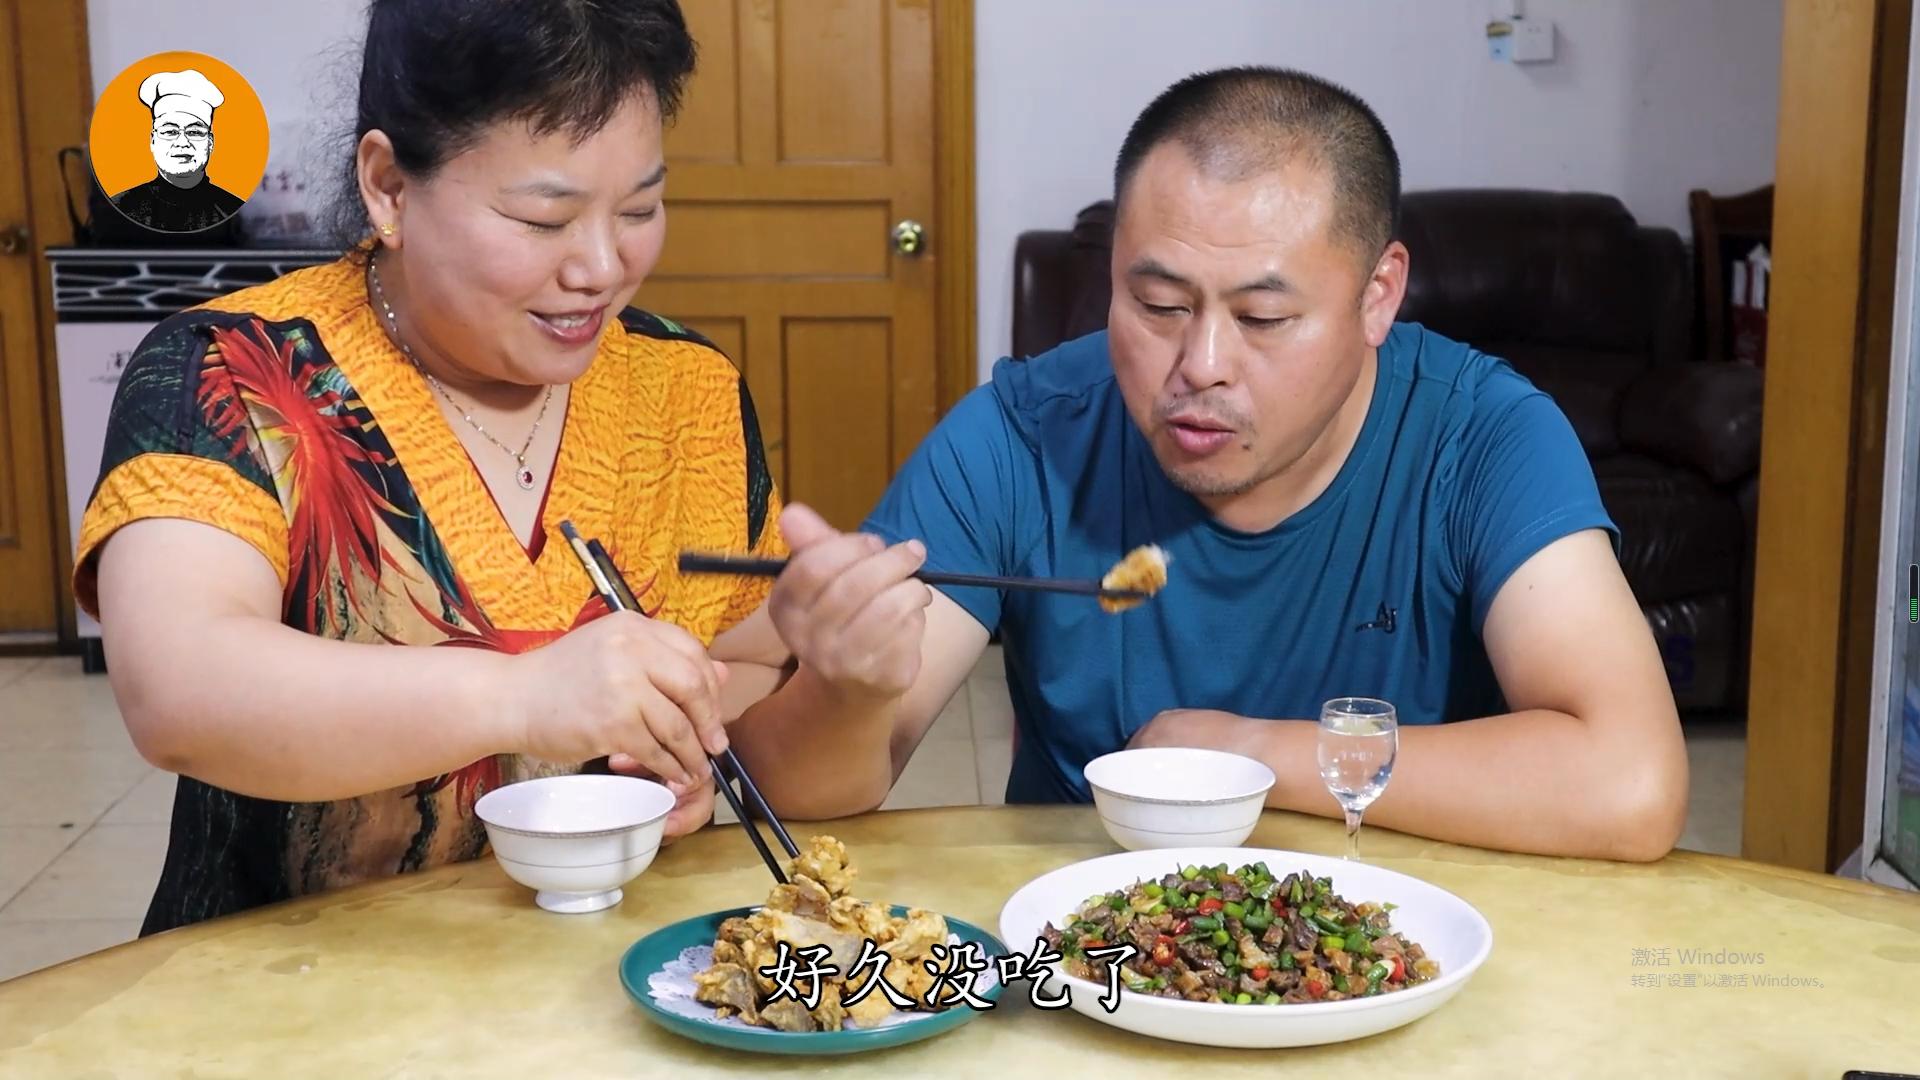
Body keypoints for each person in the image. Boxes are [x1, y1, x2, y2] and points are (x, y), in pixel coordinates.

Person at [77, 0, 919, 935]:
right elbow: (180, 688)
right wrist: (526, 696)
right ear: (390, 186)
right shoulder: (234, 374)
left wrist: (795, 697)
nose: (602, 266)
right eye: (541, 218)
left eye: (639, 208)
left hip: (601, 981)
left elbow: (751, 696)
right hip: (289, 992)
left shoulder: (685, 389)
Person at [739, 66, 1690, 863]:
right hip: (1097, 961)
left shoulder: (1481, 437)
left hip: (1394, 949)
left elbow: (1630, 783)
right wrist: (845, 691)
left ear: (1377, 295)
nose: (1198, 367)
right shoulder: (1023, 436)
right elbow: (797, 799)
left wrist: (1246, 754)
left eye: (1264, 320)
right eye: (1157, 304)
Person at [110, 68, 249, 233]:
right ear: (153, 141)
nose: (182, 143)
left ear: (210, 143)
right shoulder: (120, 208)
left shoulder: (233, 210)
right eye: (170, 132)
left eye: (194, 132)